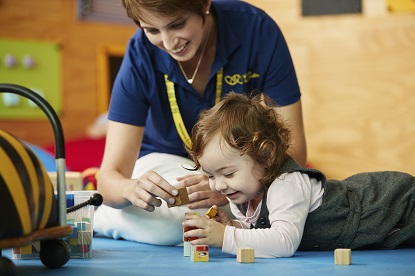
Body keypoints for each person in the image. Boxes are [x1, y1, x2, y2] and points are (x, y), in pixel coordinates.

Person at [94, 0, 307, 246]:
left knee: (291, 200)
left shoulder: (258, 30)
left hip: (238, 169)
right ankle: (100, 216)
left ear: (204, 4)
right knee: (181, 219)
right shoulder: (140, 53)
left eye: (178, 24)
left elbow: (294, 154)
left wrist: (229, 184)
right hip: (166, 166)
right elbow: (109, 179)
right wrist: (131, 190)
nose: (169, 42)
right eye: (152, 30)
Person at [182, 92, 415, 258]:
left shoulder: (287, 184)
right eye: (211, 176)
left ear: (266, 156)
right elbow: (263, 235)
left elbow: (283, 242)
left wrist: (224, 237)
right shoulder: (241, 195)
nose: (219, 186)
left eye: (228, 174)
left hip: (393, 205)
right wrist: (234, 226)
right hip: (382, 231)